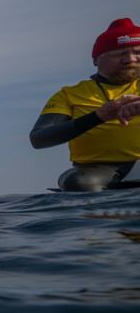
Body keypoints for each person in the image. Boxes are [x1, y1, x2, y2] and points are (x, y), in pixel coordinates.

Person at [30, 17, 140, 191]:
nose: (130, 60)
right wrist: (99, 116)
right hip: (98, 170)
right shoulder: (69, 95)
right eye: (120, 54)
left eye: (138, 53)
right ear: (96, 60)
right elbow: (39, 139)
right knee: (78, 182)